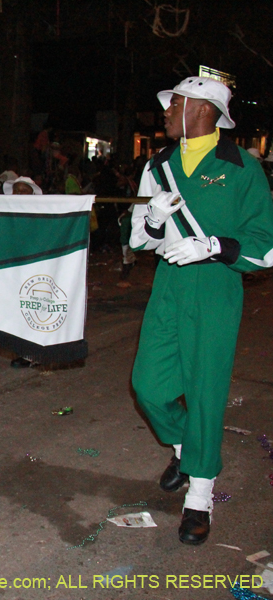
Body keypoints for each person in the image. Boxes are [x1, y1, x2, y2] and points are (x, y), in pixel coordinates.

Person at [129, 76, 273, 545]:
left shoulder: (241, 167)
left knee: (205, 391)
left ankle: (200, 497)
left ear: (204, 109)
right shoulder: (158, 164)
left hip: (215, 288)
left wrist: (214, 246)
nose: (166, 112)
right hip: (169, 286)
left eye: (174, 104)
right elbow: (137, 239)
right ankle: (184, 448)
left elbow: (266, 247)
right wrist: (152, 219)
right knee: (147, 385)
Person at [2, 176, 43, 369]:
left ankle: (32, 353)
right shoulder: (6, 215)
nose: (19, 194)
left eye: (23, 190)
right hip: (11, 270)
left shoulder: (40, 214)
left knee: (31, 309)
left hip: (32, 269)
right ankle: (23, 351)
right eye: (16, 190)